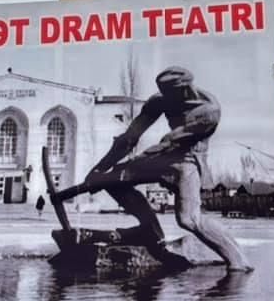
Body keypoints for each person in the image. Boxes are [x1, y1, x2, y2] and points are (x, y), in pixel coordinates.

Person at [50, 66, 252, 272]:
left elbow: (169, 141)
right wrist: (99, 171)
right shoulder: (160, 100)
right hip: (163, 158)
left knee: (188, 219)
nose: (166, 99)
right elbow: (129, 138)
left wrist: (133, 163)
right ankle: (150, 231)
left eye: (170, 95)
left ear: (184, 89)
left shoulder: (208, 111)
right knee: (113, 180)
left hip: (188, 161)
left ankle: (238, 261)